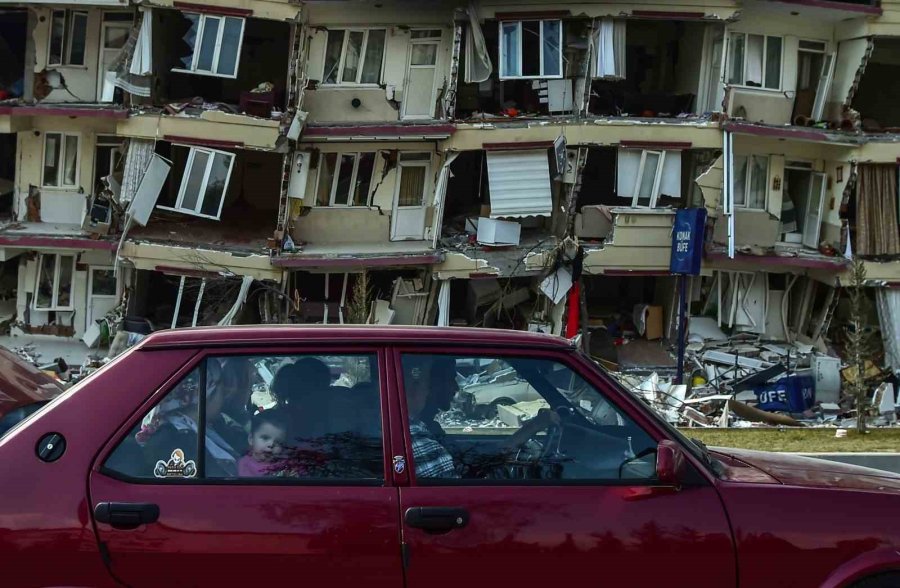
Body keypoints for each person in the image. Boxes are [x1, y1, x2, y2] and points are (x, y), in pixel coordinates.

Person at [404, 355, 561, 480]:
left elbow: (473, 459)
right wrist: (533, 427)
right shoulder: (415, 437)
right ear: (430, 385)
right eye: (450, 379)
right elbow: (473, 469)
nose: (455, 387)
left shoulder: (427, 428)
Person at [238, 410, 289, 477]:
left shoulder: (285, 464)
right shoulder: (244, 464)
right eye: (265, 438)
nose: (271, 445)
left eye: (278, 442)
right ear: (251, 439)